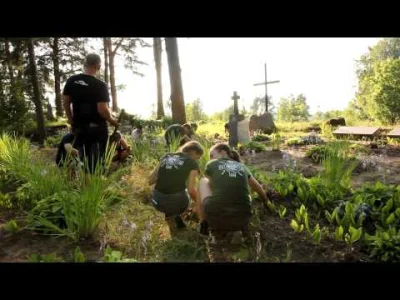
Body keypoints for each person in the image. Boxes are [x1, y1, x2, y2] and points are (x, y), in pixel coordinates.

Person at [62, 53, 119, 173]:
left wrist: (71, 121)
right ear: (97, 66)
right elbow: (102, 110)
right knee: (98, 162)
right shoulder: (100, 85)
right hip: (97, 129)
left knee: (82, 158)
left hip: (79, 128)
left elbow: (66, 103)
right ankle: (95, 185)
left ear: (85, 64)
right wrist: (113, 121)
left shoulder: (72, 80)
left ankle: (83, 184)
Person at [198, 143, 267, 239]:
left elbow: (211, 186)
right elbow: (258, 188)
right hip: (243, 219)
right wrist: (265, 201)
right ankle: (236, 230)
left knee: (203, 181)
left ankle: (203, 224)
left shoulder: (212, 164)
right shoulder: (242, 166)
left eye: (212, 156)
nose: (210, 159)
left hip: (216, 217)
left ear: (222, 152)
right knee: (245, 193)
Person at [148, 141, 204, 230]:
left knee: (162, 192)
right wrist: (199, 202)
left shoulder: (167, 156)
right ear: (194, 152)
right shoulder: (192, 163)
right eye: (198, 157)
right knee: (188, 193)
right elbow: (191, 190)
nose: (197, 160)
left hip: (157, 202)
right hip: (178, 203)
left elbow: (150, 180)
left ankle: (170, 215)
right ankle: (177, 214)